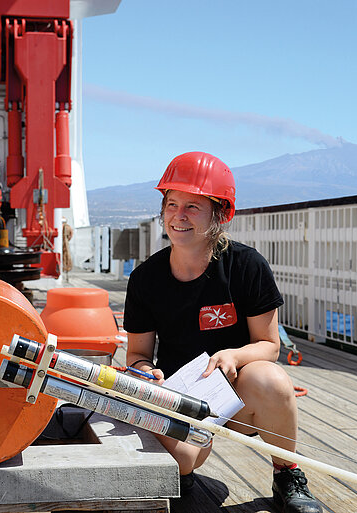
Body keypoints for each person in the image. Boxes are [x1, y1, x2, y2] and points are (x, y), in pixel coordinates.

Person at [123, 152, 322, 513]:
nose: (178, 216)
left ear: (221, 214)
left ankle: (287, 474)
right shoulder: (145, 279)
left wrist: (233, 355)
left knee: (272, 380)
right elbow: (136, 355)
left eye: (192, 207)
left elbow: (269, 346)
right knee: (184, 460)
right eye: (171, 204)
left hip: (237, 396)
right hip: (180, 399)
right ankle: (180, 475)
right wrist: (143, 371)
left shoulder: (247, 266)